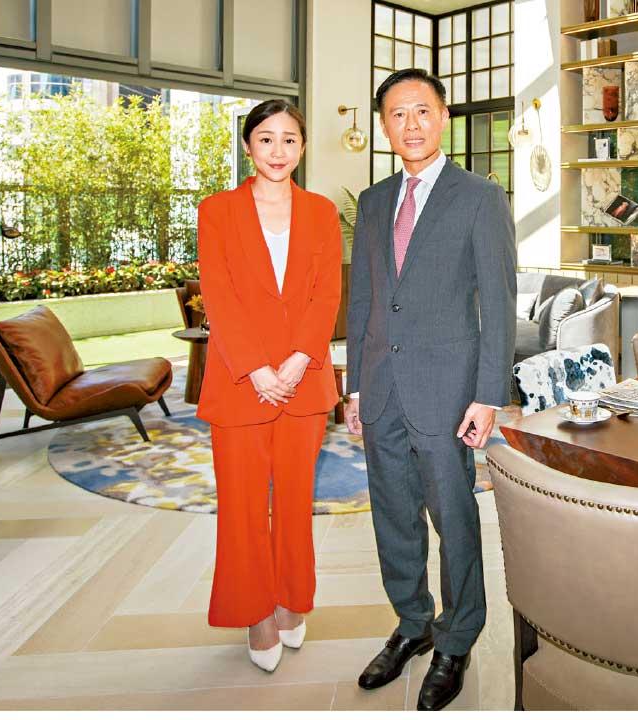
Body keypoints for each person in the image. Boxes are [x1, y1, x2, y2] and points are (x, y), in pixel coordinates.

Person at [344, 68, 516, 711]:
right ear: (384, 127)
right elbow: (363, 301)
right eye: (397, 114)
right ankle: (412, 623)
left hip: (448, 390)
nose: (410, 124)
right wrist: (355, 387)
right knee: (392, 514)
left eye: (422, 111)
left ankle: (457, 637)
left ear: (443, 117)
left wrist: (488, 395)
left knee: (453, 517)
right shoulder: (373, 201)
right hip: (381, 386)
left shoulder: (480, 197)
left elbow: (499, 303)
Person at [196, 99, 342, 673]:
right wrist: (257, 367)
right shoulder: (217, 211)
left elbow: (326, 294)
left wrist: (300, 359)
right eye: (265, 139)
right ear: (247, 145)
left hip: (304, 382)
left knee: (296, 502)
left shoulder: (321, 212)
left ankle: (289, 599)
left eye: (289, 140)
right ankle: (255, 612)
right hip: (241, 382)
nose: (277, 151)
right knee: (242, 506)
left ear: (302, 147)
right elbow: (218, 294)